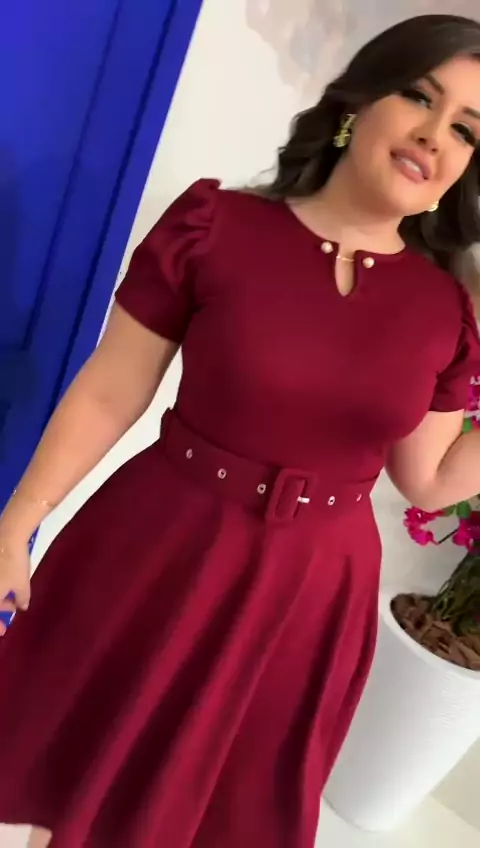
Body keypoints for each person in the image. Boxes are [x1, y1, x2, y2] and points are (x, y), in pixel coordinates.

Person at [1, 12, 480, 848]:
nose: (433, 135)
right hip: (159, 549)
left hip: (311, 597)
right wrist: (17, 522)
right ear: (359, 102)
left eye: (467, 130)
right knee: (91, 780)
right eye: (418, 96)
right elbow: (111, 390)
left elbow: (432, 479)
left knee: (213, 815)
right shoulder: (215, 226)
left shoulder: (446, 308)